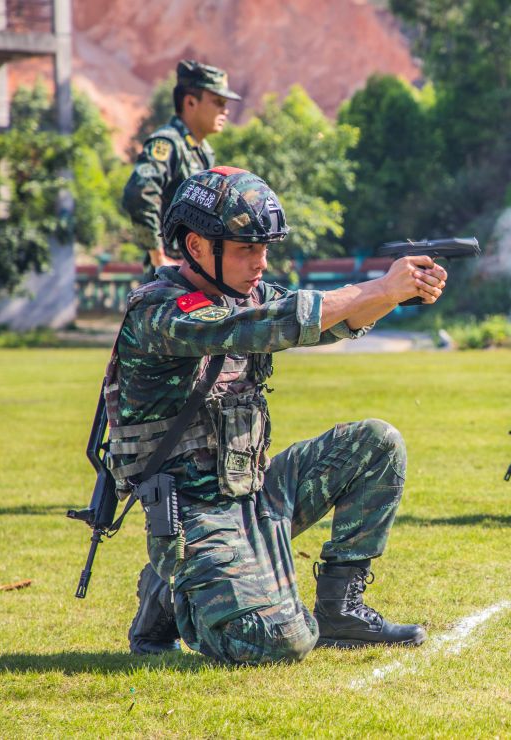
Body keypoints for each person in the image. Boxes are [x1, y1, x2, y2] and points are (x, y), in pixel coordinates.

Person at [114, 167, 447, 663]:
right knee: (281, 640)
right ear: (198, 246)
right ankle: (171, 588)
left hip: (253, 493)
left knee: (377, 443)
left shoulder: (246, 294)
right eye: (247, 248)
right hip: (194, 514)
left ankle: (340, 610)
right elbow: (271, 325)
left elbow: (326, 321)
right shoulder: (161, 311)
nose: (261, 262)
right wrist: (380, 288)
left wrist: (395, 294)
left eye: (264, 248)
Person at [123, 60, 240, 278]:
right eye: (217, 102)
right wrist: (157, 257)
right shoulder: (168, 144)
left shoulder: (202, 150)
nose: (225, 110)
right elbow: (138, 193)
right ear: (190, 102)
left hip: (195, 269)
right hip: (172, 274)